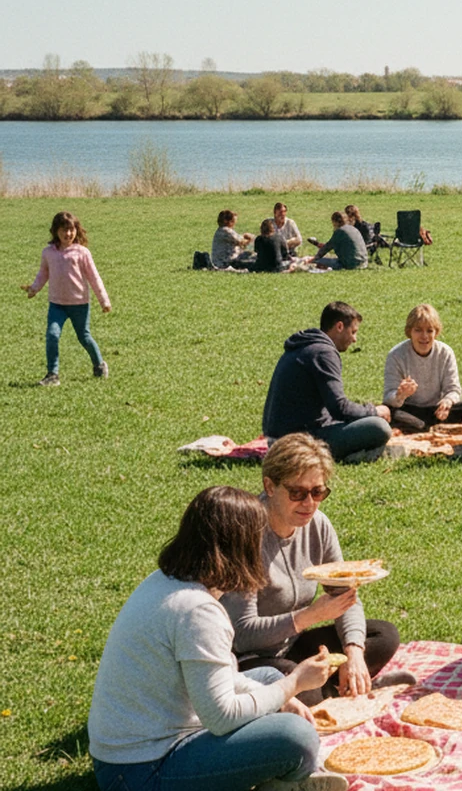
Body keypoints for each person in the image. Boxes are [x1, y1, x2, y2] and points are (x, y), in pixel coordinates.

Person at [87, 486, 342, 791]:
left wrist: (281, 694)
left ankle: (273, 775)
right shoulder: (198, 611)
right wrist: (294, 684)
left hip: (130, 754)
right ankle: (283, 782)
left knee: (268, 678)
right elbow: (223, 717)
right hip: (142, 771)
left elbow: (222, 682)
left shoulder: (166, 582)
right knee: (296, 737)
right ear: (238, 548)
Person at [222, 435, 402, 707]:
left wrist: (353, 654)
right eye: (297, 493)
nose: (309, 503)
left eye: (318, 492)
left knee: (383, 635)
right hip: (250, 659)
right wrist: (309, 616)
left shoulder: (318, 525)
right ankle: (341, 690)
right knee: (300, 687)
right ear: (269, 486)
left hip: (293, 646)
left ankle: (344, 682)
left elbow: (345, 595)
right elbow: (244, 635)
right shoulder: (245, 535)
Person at [261, 302, 392, 462]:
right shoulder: (323, 353)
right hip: (297, 442)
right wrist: (374, 411)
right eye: (353, 332)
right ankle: (354, 456)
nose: (354, 339)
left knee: (361, 419)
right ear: (339, 326)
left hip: (278, 437)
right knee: (379, 427)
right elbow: (339, 408)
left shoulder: (305, 346)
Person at [23, 210, 110, 386]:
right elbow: (43, 273)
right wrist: (34, 288)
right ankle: (52, 375)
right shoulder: (48, 253)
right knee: (52, 335)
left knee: (84, 337)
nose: (68, 234)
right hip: (57, 305)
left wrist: (104, 301)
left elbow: (94, 277)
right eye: (63, 230)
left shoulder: (82, 253)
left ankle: (99, 365)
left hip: (79, 304)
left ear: (76, 231)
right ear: (55, 231)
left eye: (71, 230)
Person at [382, 304, 462, 432]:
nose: (424, 336)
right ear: (409, 331)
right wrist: (400, 395)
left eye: (429, 331)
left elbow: (453, 389)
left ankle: (421, 427)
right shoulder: (396, 355)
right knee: (387, 412)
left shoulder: (445, 352)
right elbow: (388, 397)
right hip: (408, 409)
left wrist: (447, 402)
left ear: (436, 332)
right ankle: (423, 426)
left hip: (436, 409)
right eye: (418, 330)